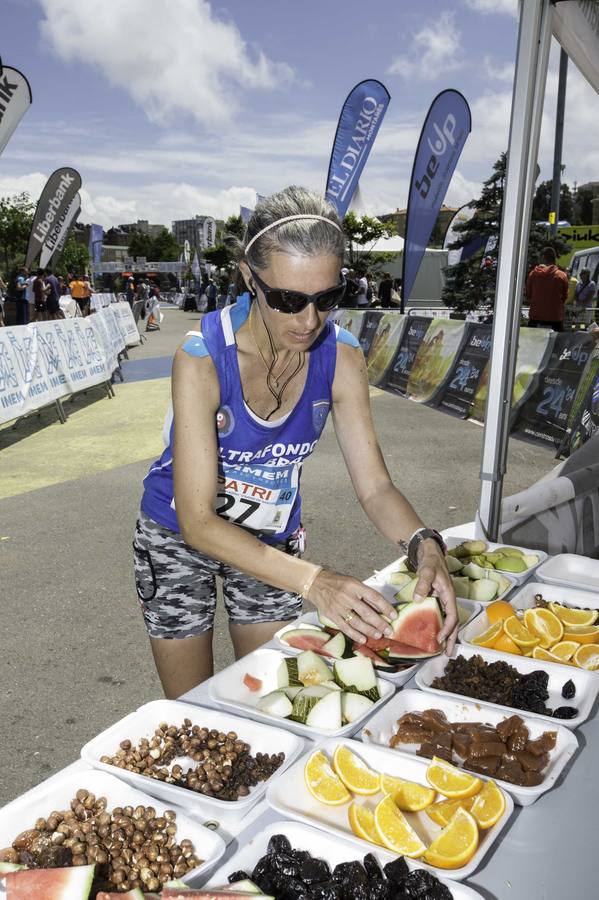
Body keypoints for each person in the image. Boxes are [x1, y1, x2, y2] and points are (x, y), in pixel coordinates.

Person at [134, 186, 457, 699]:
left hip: (269, 541)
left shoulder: (342, 357)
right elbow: (198, 521)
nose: (309, 321)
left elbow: (375, 487)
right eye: (287, 300)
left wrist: (425, 543)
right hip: (179, 536)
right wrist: (314, 581)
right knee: (192, 709)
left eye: (327, 298)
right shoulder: (200, 358)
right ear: (247, 275)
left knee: (269, 699)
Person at [525, 246, 568, 330]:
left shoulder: (533, 275)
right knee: (556, 343)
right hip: (555, 320)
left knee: (533, 343)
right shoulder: (562, 275)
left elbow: (528, 295)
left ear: (543, 257)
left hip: (535, 319)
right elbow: (564, 297)